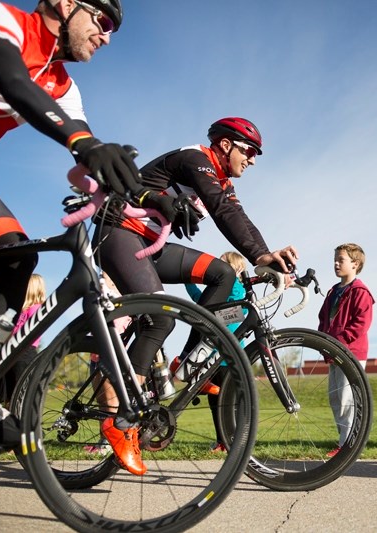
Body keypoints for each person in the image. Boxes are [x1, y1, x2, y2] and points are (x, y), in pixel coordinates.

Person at [0, 0, 142, 450]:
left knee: (18, 256)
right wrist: (84, 142)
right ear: (64, 3)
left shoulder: (62, 86)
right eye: (103, 21)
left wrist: (150, 199)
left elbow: (86, 150)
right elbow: (13, 81)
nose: (107, 36)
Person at [92, 117, 298, 474]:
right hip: (119, 231)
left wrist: (266, 258)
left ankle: (191, 356)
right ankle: (119, 420)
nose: (252, 160)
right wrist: (260, 256)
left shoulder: (221, 179)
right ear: (225, 145)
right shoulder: (195, 159)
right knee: (161, 316)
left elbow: (238, 214)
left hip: (150, 243)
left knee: (222, 273)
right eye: (249, 151)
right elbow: (220, 209)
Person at [181, 250, 249, 453]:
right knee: (214, 400)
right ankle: (221, 440)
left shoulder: (237, 289)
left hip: (229, 355)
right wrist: (188, 280)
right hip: (212, 355)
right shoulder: (221, 288)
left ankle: (231, 441)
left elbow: (237, 313)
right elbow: (201, 300)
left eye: (222, 264)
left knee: (228, 401)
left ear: (234, 268)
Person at [317, 243, 375, 458]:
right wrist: (322, 342)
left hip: (350, 353)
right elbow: (323, 319)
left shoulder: (360, 292)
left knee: (346, 399)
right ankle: (344, 441)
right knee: (335, 398)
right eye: (335, 259)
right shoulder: (334, 290)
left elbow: (361, 324)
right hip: (333, 352)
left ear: (355, 263)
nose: (336, 263)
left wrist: (338, 342)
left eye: (340, 259)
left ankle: (348, 446)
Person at [0, 273, 46, 404]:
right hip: (12, 350)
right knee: (9, 391)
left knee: (20, 391)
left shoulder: (36, 308)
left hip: (25, 350)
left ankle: (19, 418)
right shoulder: (22, 309)